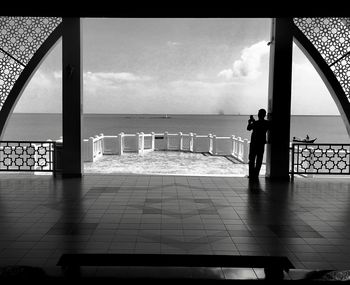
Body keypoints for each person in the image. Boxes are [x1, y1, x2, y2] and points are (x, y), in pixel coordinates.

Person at [247, 109, 270, 179]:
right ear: (264, 115)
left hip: (254, 143)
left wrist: (250, 122)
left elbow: (248, 128)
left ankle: (251, 174)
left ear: (259, 114)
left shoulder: (255, 123)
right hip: (261, 143)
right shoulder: (267, 123)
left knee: (252, 159)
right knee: (259, 159)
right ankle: (256, 174)